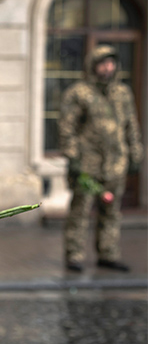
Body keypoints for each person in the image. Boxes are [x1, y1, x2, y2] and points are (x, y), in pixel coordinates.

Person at [60, 45, 143, 273]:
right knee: (80, 211)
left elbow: (131, 126)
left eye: (111, 63)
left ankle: (108, 253)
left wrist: (135, 154)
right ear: (93, 66)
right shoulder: (79, 93)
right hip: (87, 164)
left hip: (116, 163)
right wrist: (72, 157)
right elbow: (67, 127)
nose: (108, 67)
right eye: (103, 63)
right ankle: (74, 254)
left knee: (112, 212)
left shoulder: (122, 93)